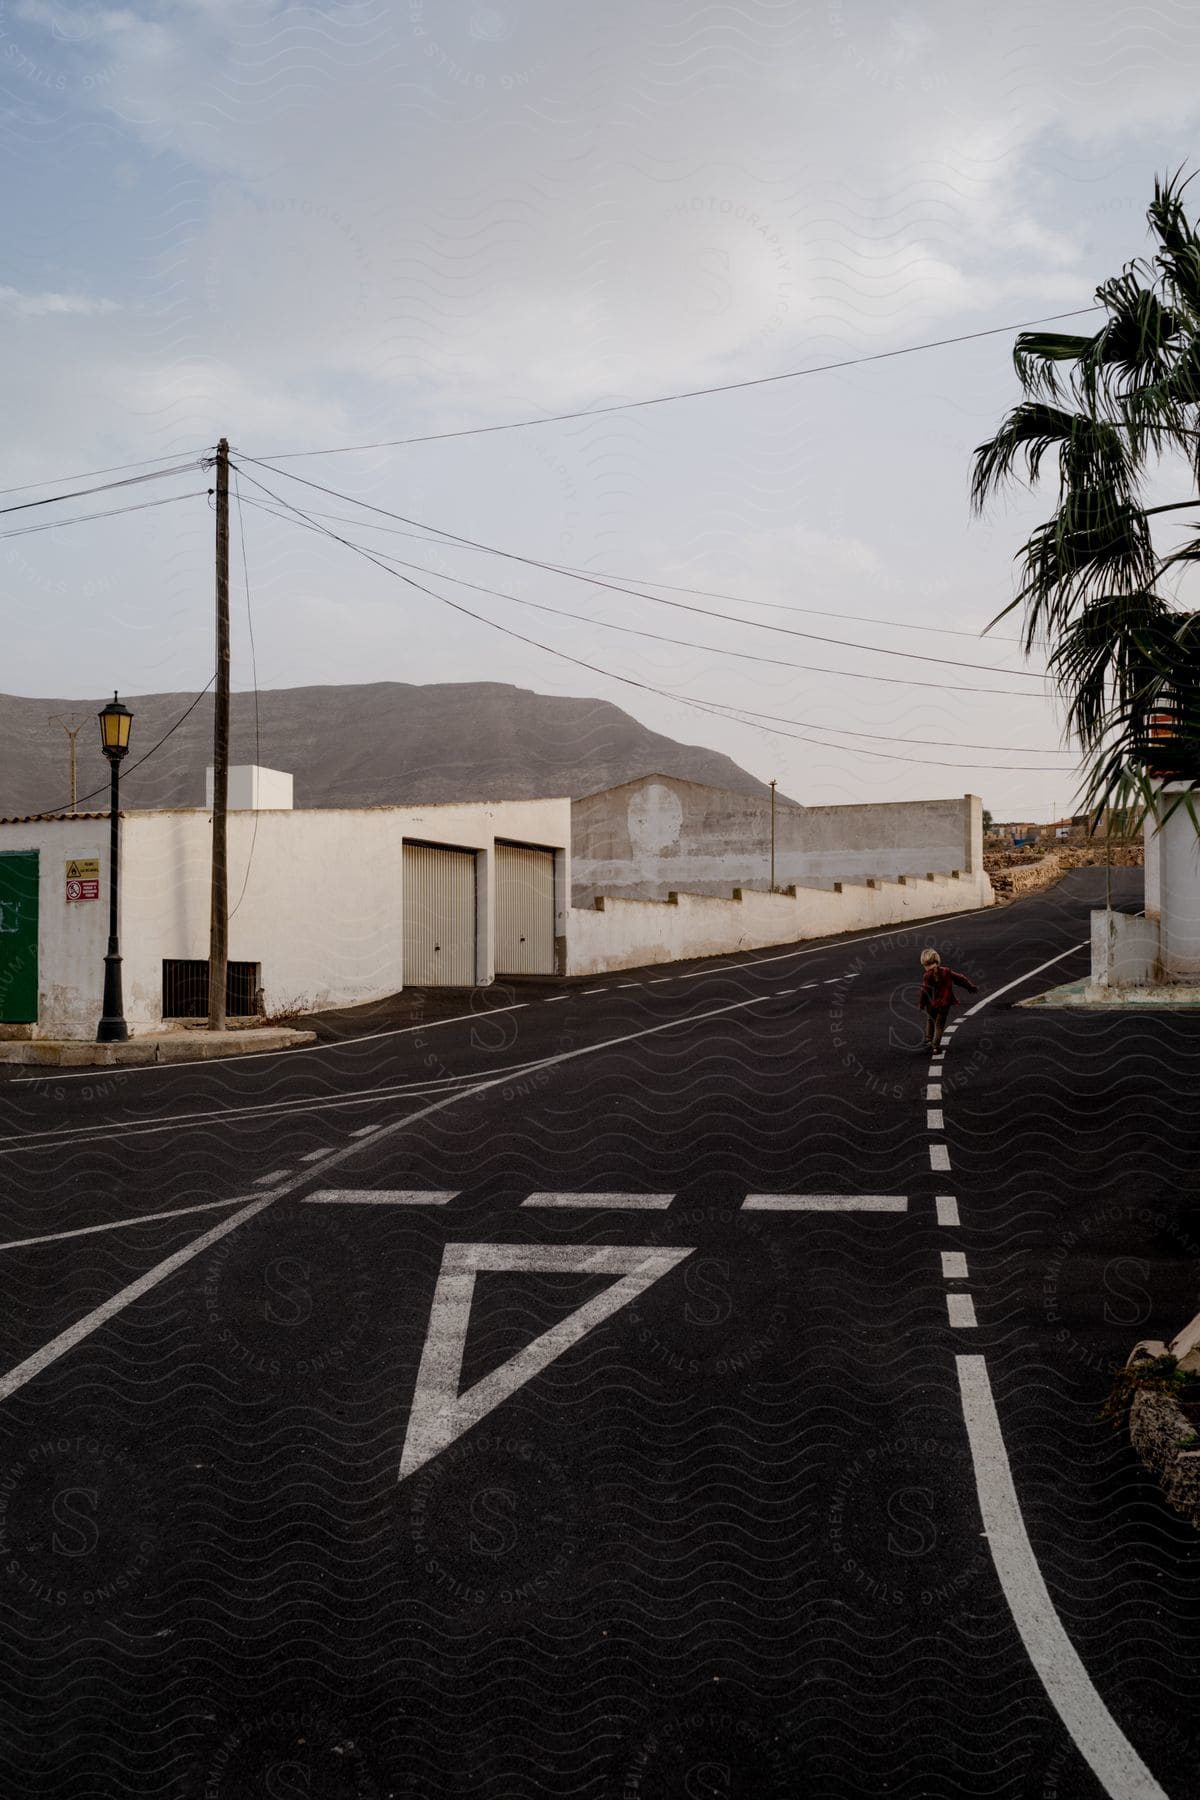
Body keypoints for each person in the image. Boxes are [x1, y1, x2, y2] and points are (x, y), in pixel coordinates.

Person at [918, 948, 978, 1052]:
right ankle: (935, 1047)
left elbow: (924, 991)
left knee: (930, 1020)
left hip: (931, 1004)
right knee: (939, 1025)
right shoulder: (946, 971)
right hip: (944, 1004)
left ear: (924, 964)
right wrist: (970, 987)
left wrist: (921, 1004)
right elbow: (960, 979)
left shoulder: (927, 976)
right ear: (938, 961)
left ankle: (928, 1039)